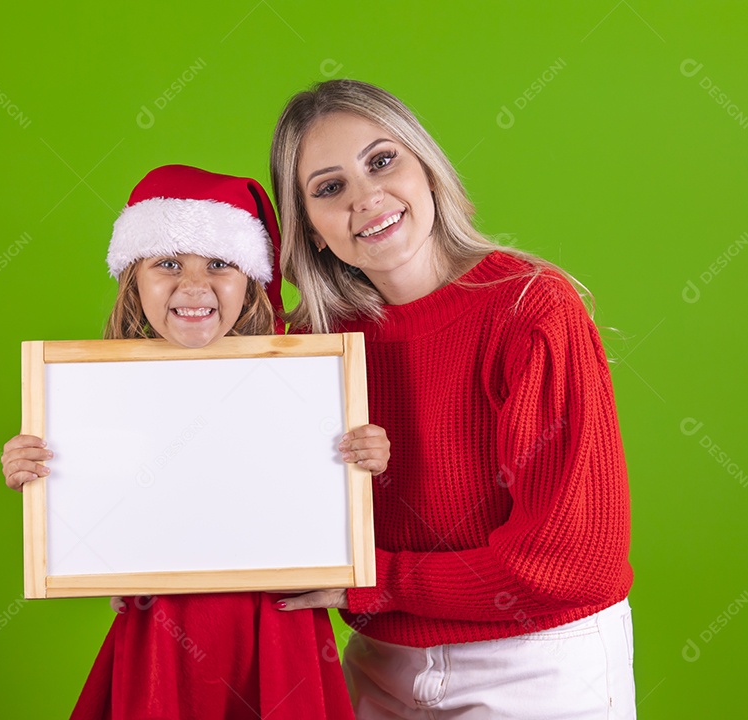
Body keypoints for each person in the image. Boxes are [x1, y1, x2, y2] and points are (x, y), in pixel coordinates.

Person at [268, 80, 635, 719]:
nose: (366, 198)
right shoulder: (309, 349)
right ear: (312, 230)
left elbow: (571, 558)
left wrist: (376, 580)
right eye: (329, 188)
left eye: (382, 161)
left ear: (428, 171)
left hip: (537, 661)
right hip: (380, 662)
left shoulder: (530, 308)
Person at [0, 164, 391, 720]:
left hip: (276, 619)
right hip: (163, 622)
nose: (193, 285)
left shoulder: (303, 377)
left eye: (219, 264)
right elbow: (99, 505)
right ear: (134, 278)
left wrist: (366, 454)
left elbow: (320, 494)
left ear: (252, 279)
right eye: (167, 264)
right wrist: (40, 475)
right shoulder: (98, 394)